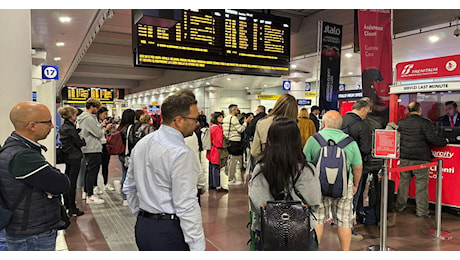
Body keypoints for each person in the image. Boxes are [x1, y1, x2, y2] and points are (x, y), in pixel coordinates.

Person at [122, 89, 205, 251]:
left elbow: (129, 187)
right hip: (169, 232)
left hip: (144, 227)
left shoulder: (143, 143)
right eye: (194, 119)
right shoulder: (181, 153)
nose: (196, 124)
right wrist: (197, 246)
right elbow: (186, 205)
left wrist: (142, 215)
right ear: (178, 120)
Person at [0, 101, 70, 250]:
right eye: (48, 122)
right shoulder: (23, 156)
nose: (52, 126)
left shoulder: (15, 146)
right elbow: (62, 183)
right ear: (32, 126)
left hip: (26, 228)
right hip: (32, 234)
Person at [249, 118, 321, 250]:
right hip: (301, 231)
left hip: (267, 231)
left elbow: (256, 204)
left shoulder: (261, 169)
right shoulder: (307, 169)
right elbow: (314, 202)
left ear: (270, 140)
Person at [303, 110, 362, 251]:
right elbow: (358, 166)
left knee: (317, 220)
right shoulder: (350, 141)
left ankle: (314, 251)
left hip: (318, 186)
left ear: (323, 123)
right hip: (344, 186)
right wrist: (355, 185)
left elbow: (304, 164)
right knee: (344, 222)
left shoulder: (314, 139)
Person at [395, 102, 449, 219]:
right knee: (421, 186)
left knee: (403, 183)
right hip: (420, 159)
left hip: (404, 158)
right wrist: (445, 141)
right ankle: (422, 212)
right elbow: (432, 139)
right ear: (420, 110)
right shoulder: (425, 123)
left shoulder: (401, 122)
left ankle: (399, 206)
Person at [341, 99, 372, 240]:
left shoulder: (340, 120)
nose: (368, 114)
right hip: (354, 167)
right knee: (353, 196)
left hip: (335, 165)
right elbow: (365, 149)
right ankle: (349, 229)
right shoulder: (362, 125)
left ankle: (339, 222)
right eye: (368, 111)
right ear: (364, 109)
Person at [251, 93, 298, 160]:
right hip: (289, 165)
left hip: (267, 164)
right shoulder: (294, 125)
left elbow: (255, 152)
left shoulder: (262, 123)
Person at [58, 105, 86, 217]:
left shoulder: (64, 127)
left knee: (68, 180)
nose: (76, 116)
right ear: (71, 116)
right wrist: (82, 140)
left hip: (67, 156)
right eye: (74, 114)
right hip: (74, 157)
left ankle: (67, 205)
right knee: (72, 182)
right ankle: (72, 208)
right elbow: (79, 142)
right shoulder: (70, 128)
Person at [77, 98, 105, 204]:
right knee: (92, 172)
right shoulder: (88, 118)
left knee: (88, 171)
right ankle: (90, 196)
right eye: (97, 108)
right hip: (93, 148)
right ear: (92, 107)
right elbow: (98, 133)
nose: (97, 110)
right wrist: (101, 129)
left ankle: (86, 192)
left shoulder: (83, 118)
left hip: (88, 147)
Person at [222, 104, 253, 185]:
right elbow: (240, 129)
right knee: (234, 160)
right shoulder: (234, 118)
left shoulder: (225, 118)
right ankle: (231, 178)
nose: (237, 111)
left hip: (228, 140)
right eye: (236, 110)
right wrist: (246, 122)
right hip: (235, 141)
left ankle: (230, 177)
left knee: (230, 159)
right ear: (234, 110)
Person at [117, 109, 136, 206]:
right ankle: (126, 197)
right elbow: (132, 142)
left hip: (121, 154)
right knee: (128, 175)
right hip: (128, 155)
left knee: (124, 173)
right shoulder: (130, 128)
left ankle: (124, 195)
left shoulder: (120, 127)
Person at [206, 111, 227, 192]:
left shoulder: (211, 127)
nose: (222, 118)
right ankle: (217, 186)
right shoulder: (217, 128)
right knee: (216, 168)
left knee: (211, 167)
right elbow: (219, 142)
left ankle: (212, 184)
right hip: (216, 150)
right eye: (220, 117)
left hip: (211, 150)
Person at [97, 106, 115, 192]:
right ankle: (94, 186)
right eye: (105, 114)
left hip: (105, 146)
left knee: (105, 165)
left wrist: (108, 130)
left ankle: (105, 183)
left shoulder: (103, 122)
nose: (105, 116)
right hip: (97, 146)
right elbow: (97, 134)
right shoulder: (95, 122)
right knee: (96, 167)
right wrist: (105, 128)